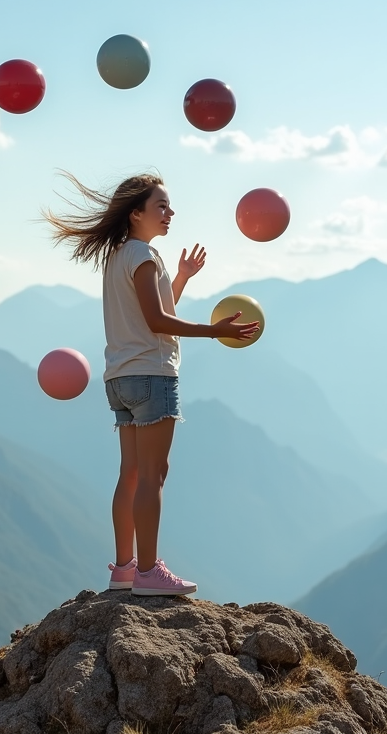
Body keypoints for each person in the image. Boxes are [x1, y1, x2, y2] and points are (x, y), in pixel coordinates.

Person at [44, 172, 259, 596]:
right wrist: (215, 331)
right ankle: (147, 572)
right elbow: (158, 322)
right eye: (161, 205)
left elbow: (154, 310)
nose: (169, 212)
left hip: (120, 378)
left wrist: (179, 279)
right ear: (135, 213)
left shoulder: (121, 255)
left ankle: (123, 569)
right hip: (153, 375)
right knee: (152, 477)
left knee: (130, 474)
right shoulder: (143, 255)